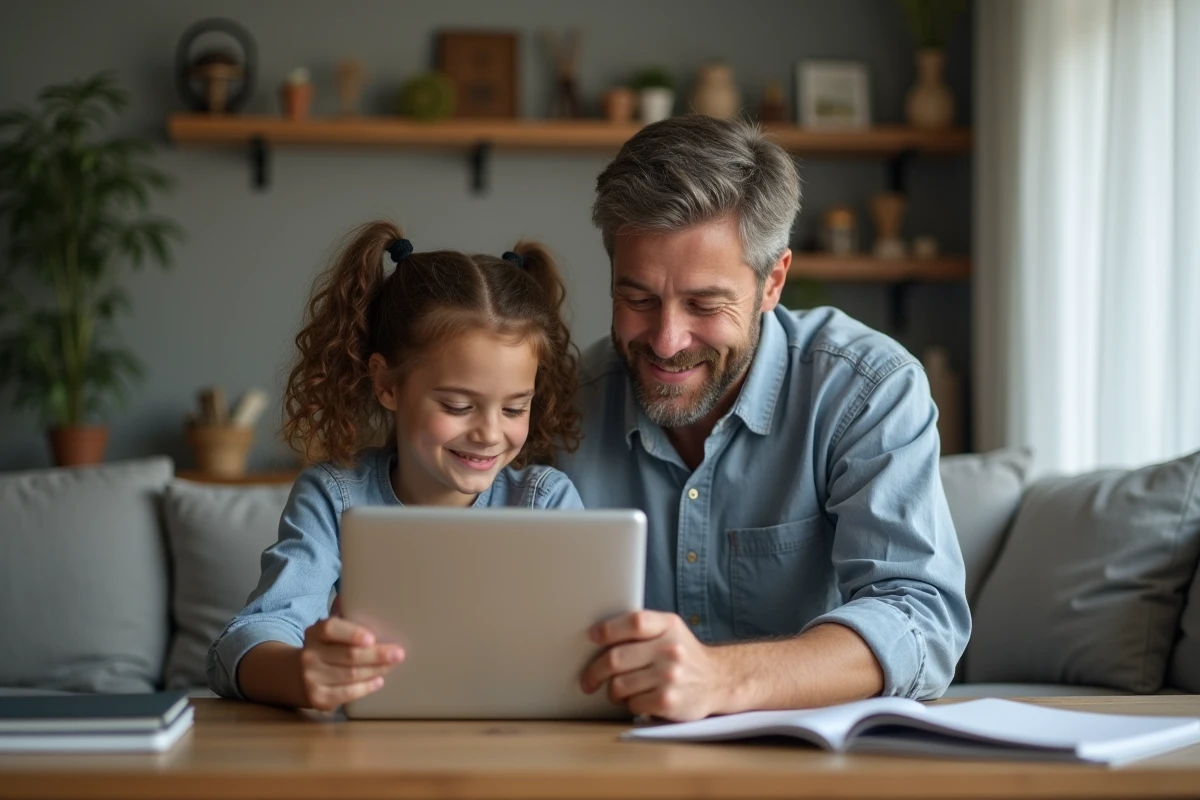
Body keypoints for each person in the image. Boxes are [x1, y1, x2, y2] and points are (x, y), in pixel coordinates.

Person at [564, 116, 971, 721]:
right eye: (638, 299)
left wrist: (723, 679)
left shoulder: (867, 389)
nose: (667, 341)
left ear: (772, 281)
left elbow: (920, 620)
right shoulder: (557, 403)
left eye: (705, 304)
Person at [206, 220, 584, 710]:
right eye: (457, 406)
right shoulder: (335, 496)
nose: (491, 433)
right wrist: (301, 673)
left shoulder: (546, 502)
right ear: (386, 384)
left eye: (515, 408)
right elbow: (252, 634)